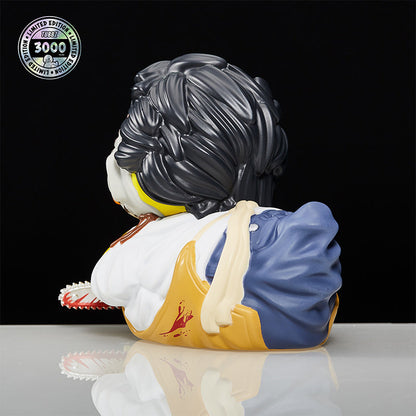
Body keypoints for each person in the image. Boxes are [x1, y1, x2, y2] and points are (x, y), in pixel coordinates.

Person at [59, 53, 342, 350]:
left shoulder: (156, 239)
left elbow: (109, 282)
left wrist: (103, 289)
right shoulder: (262, 214)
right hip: (304, 320)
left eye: (123, 154)